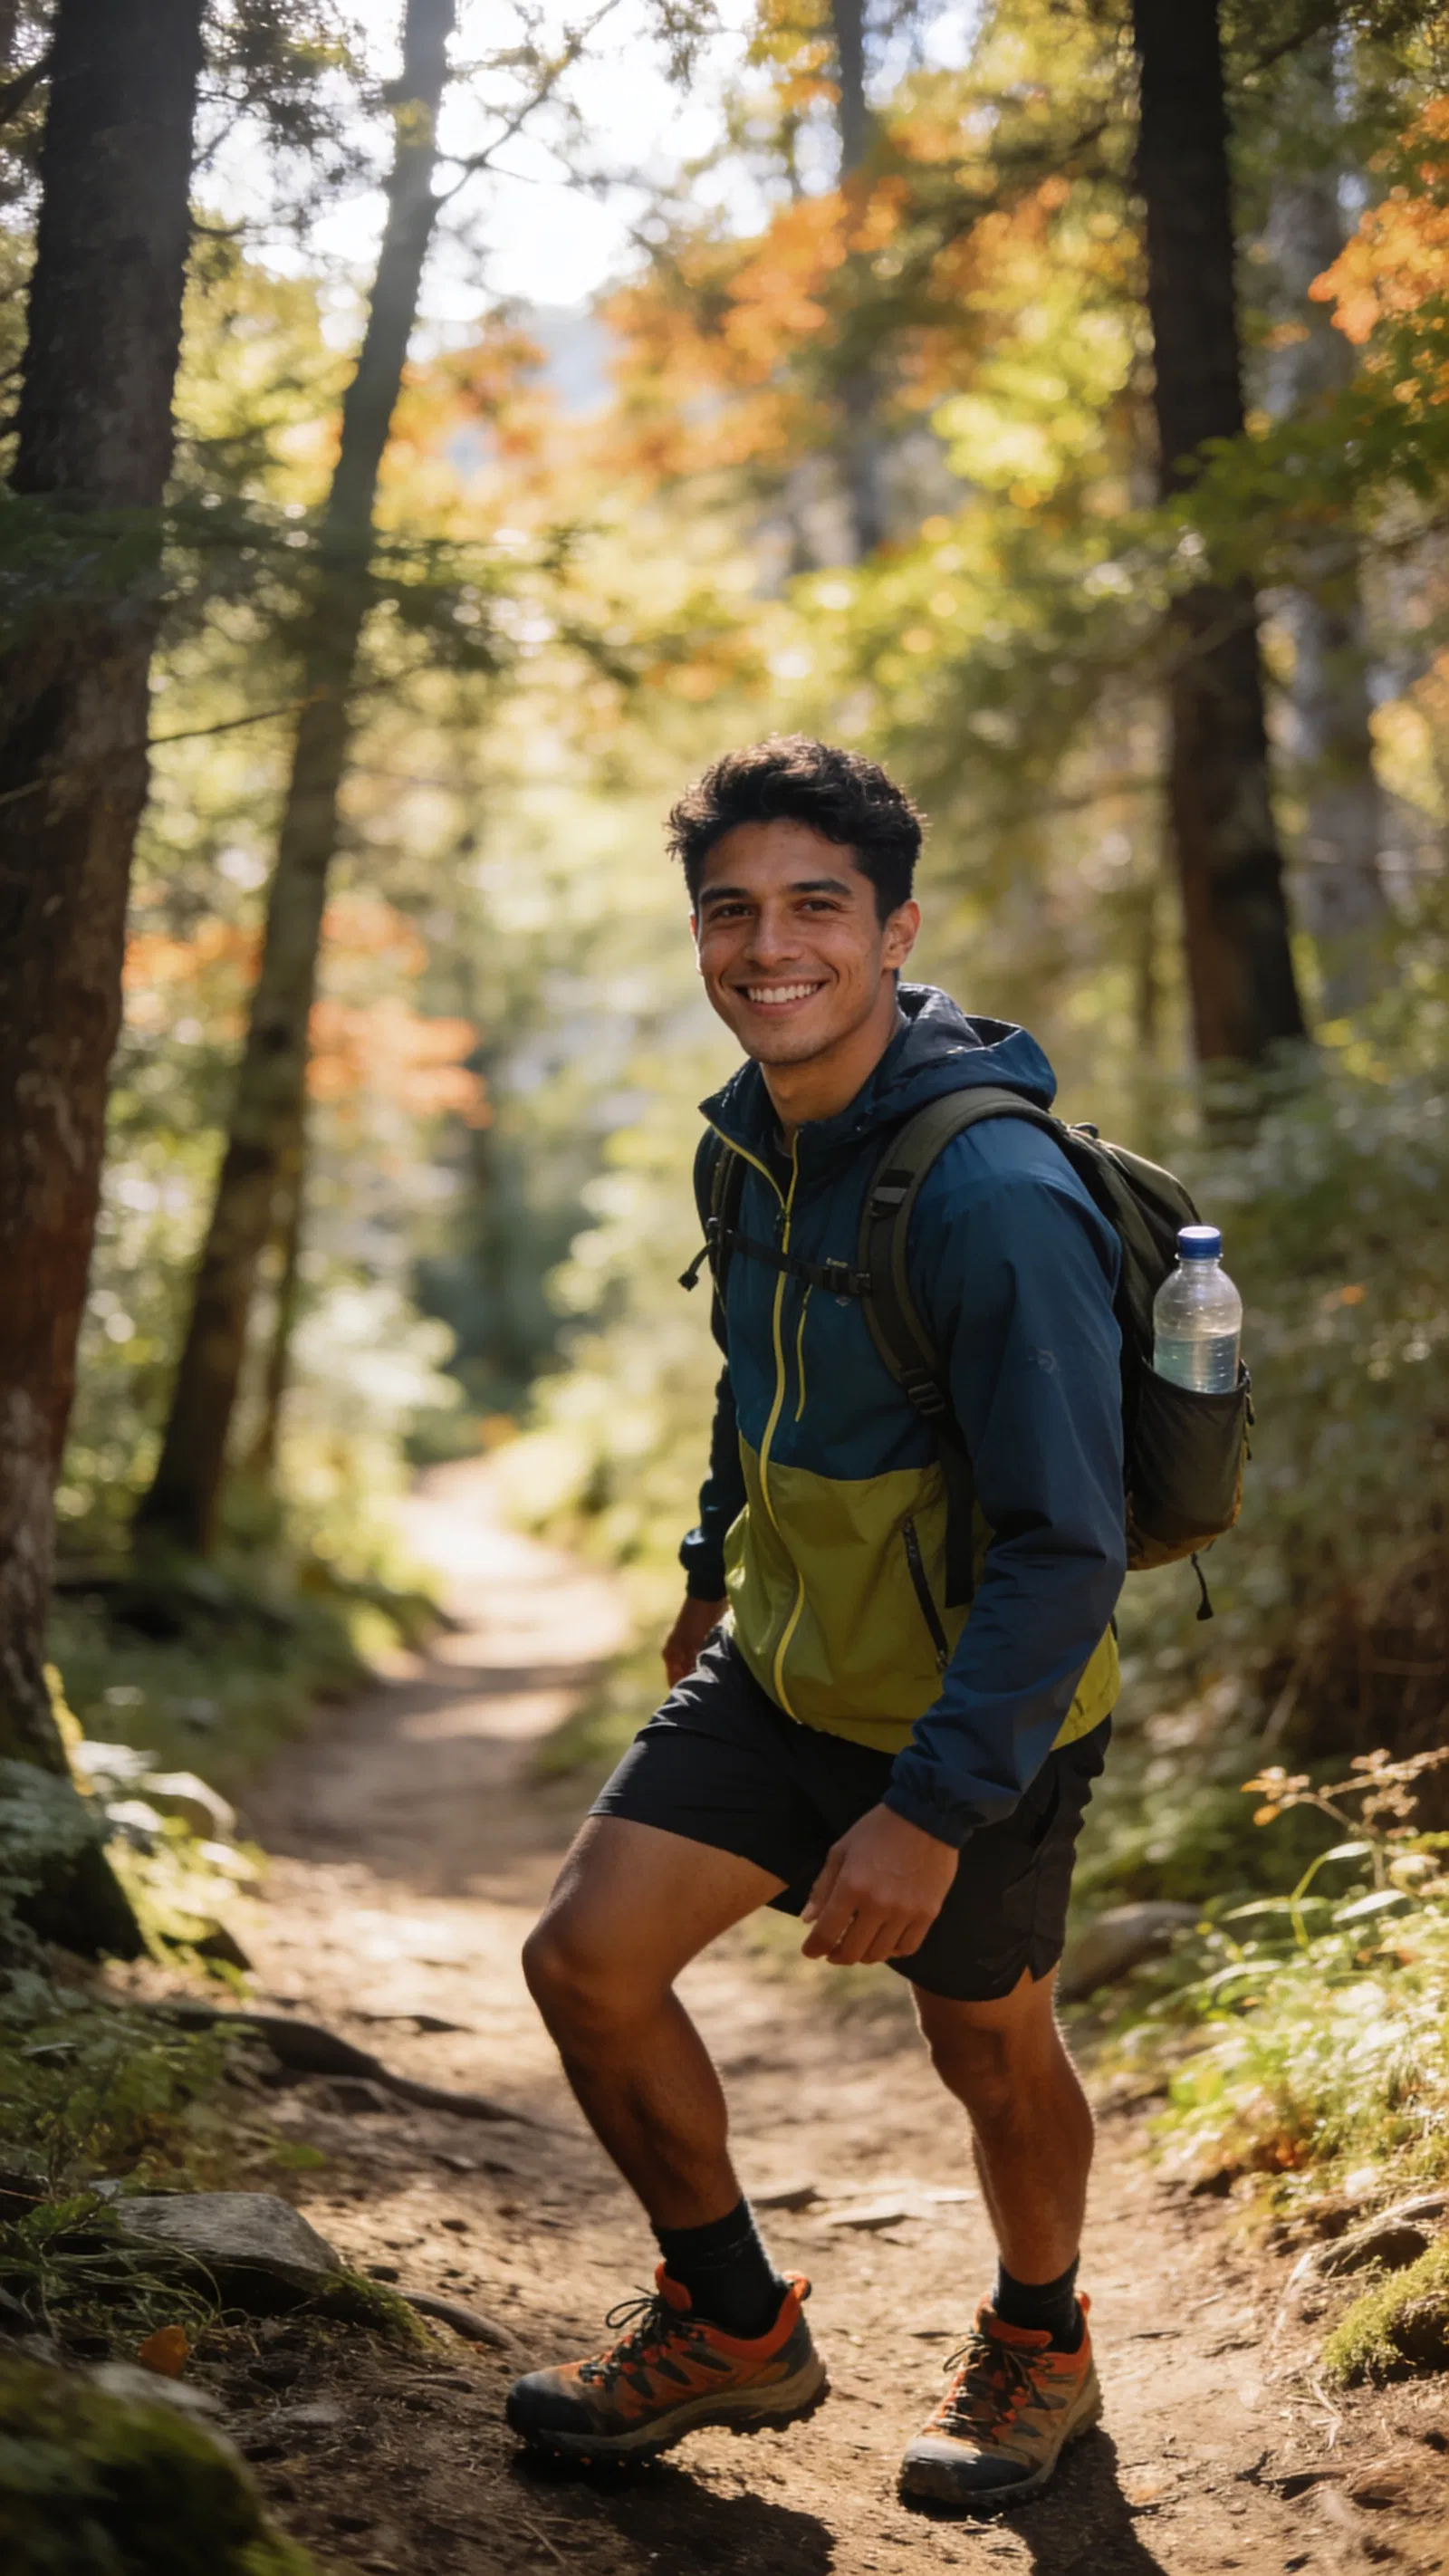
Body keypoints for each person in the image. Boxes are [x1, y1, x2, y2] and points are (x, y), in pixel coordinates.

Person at [506, 735, 1126, 2507]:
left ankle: (1038, 2340)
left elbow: (1065, 1540)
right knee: (585, 1964)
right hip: (780, 1668)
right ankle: (731, 2326)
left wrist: (926, 1811)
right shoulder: (747, 1142)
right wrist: (710, 1566)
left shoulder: (994, 1197)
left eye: (813, 908)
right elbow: (750, 1380)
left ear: (893, 925)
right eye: (728, 911)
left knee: (984, 2043)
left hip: (976, 1703)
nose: (765, 947)